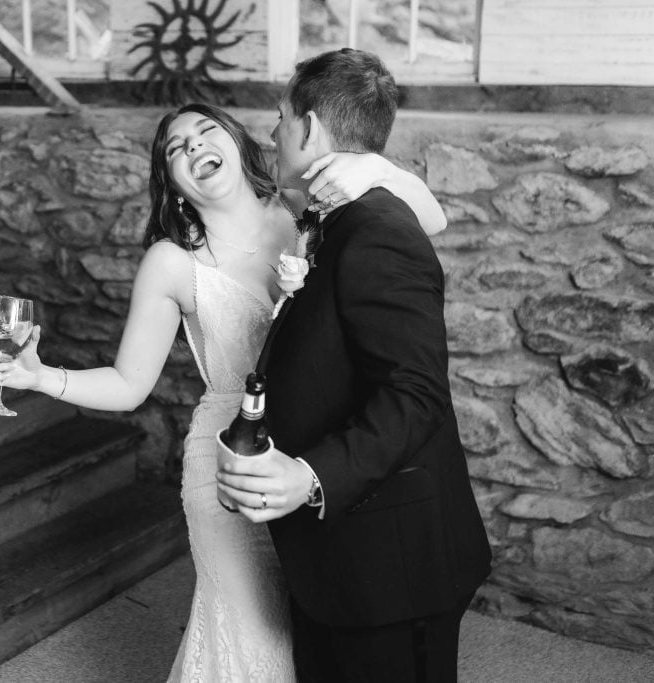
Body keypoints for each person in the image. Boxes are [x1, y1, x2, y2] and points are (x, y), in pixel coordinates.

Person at [0, 101, 446, 682]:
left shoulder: (305, 208)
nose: (193, 146)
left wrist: (381, 171)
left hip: (315, 449)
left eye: (206, 131)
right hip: (229, 460)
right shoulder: (170, 263)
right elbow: (128, 385)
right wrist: (40, 375)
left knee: (322, 628)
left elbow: (430, 220)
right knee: (254, 639)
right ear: (172, 185)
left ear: (237, 144)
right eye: (175, 148)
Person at [216, 49, 492, 682]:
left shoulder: (376, 227)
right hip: (345, 559)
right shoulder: (331, 217)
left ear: (310, 129)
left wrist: (309, 477)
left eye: (281, 118)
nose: (271, 132)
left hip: (392, 570)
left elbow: (417, 395)